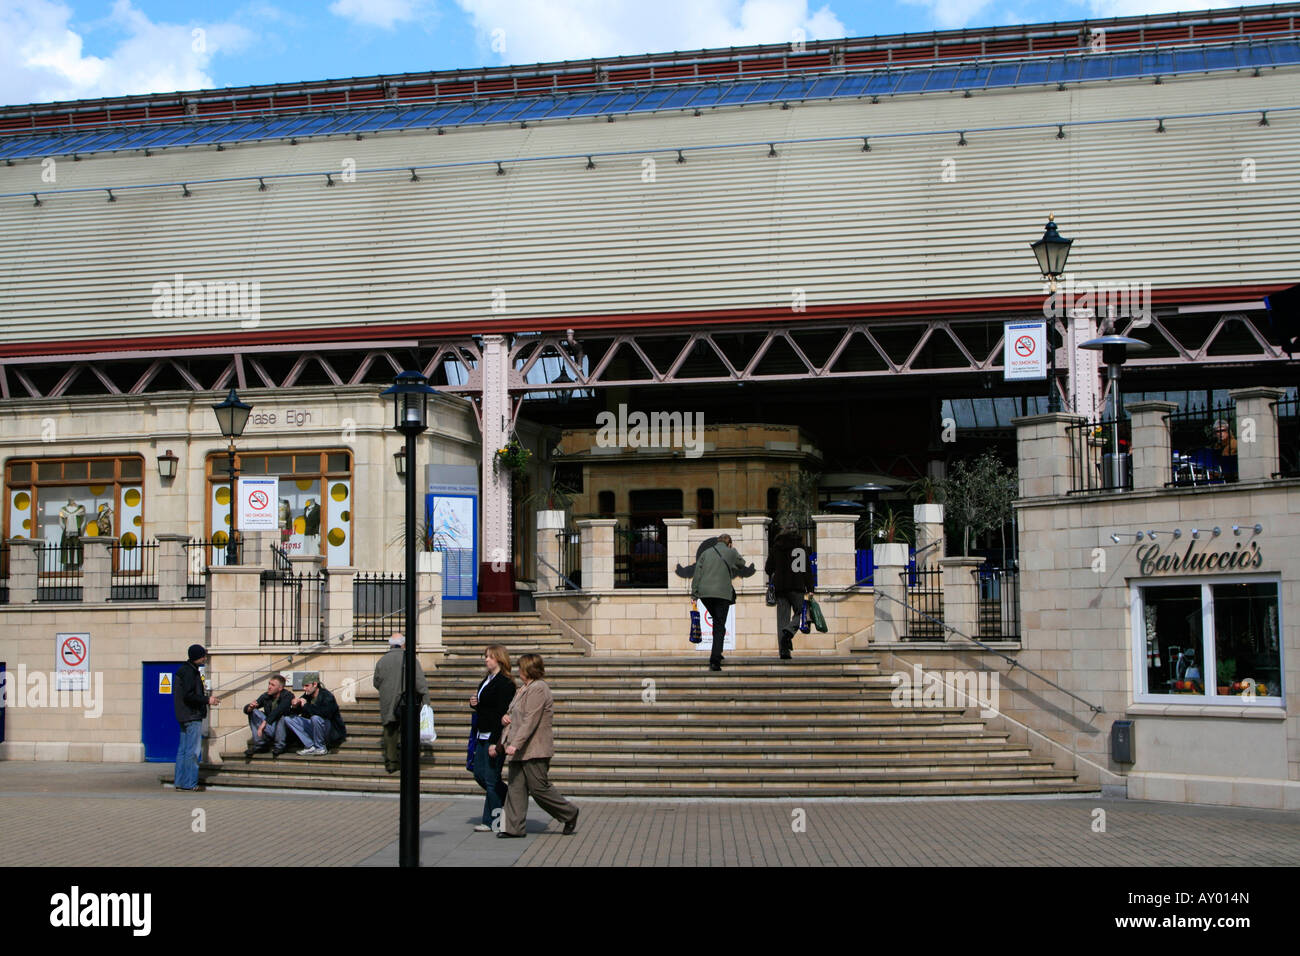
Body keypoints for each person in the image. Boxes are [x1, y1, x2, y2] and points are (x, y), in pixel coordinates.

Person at [497, 654, 579, 839]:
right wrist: (505, 719)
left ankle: (569, 813)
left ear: (529, 669)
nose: (518, 671)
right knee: (515, 788)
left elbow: (530, 720)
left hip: (534, 749)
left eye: (521, 668)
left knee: (539, 788)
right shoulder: (523, 689)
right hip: (519, 749)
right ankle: (513, 828)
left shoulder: (539, 689)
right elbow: (514, 714)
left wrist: (515, 744)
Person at [690, 533, 752, 671]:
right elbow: (741, 564)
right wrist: (733, 551)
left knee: (718, 624)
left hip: (705, 595)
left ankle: (717, 651)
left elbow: (697, 574)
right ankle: (715, 660)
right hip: (722, 594)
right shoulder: (731, 552)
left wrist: (694, 593)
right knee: (719, 625)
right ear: (729, 543)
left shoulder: (706, 553)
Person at [471, 644, 516, 831]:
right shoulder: (487, 680)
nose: (486, 659)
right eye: (485, 656)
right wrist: (475, 704)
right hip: (481, 733)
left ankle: (491, 822)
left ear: (499, 659)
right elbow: (486, 708)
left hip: (493, 735)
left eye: (489, 656)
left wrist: (495, 743)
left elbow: (500, 714)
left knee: (490, 778)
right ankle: (508, 795)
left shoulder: (505, 683)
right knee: (480, 774)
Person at [373, 633, 427, 774]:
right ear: (403, 644)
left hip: (388, 702)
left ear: (390, 644)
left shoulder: (381, 661)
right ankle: (407, 762)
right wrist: (426, 701)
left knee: (390, 732)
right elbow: (420, 682)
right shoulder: (410, 659)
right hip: (406, 703)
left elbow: (376, 682)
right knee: (407, 732)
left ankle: (391, 762)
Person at [173, 644, 218, 791]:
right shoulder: (190, 672)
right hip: (192, 715)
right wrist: (207, 700)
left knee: (183, 750)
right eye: (203, 656)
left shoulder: (185, 670)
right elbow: (189, 695)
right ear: (196, 657)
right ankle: (190, 783)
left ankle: (180, 782)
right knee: (192, 751)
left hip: (184, 715)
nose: (205, 658)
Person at [765, 526, 814, 660]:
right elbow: (807, 571)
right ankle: (790, 631)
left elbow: (768, 569)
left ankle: (784, 652)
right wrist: (810, 589)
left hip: (781, 588)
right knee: (802, 613)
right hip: (798, 587)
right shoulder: (801, 549)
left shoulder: (776, 548)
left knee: (782, 619)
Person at [284, 673, 346, 756]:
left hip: (330, 730)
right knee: (288, 719)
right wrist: (294, 706)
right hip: (314, 728)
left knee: (316, 718)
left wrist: (306, 705)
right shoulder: (307, 695)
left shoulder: (327, 695)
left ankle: (320, 748)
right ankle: (310, 746)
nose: (304, 688)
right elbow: (294, 713)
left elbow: (326, 714)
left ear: (315, 684)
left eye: (307, 686)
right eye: (303, 686)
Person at [243, 673, 294, 757]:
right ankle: (260, 745)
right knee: (253, 711)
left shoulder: (288, 696)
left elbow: (279, 711)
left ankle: (279, 746)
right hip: (271, 727)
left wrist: (263, 724)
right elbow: (248, 708)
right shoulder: (266, 696)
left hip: (284, 731)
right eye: (269, 684)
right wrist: (250, 707)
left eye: (273, 685)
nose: (269, 687)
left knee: (283, 716)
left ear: (280, 688)